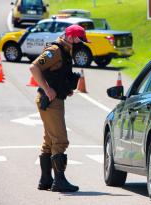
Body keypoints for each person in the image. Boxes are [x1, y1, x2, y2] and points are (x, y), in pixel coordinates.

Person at [29, 25, 89, 192]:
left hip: (54, 99)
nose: (80, 43)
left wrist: (65, 88)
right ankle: (59, 181)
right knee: (60, 139)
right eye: (79, 39)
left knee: (49, 140)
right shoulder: (55, 50)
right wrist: (48, 89)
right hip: (50, 101)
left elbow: (56, 73)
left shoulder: (65, 50)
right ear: (70, 37)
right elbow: (34, 68)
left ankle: (46, 180)